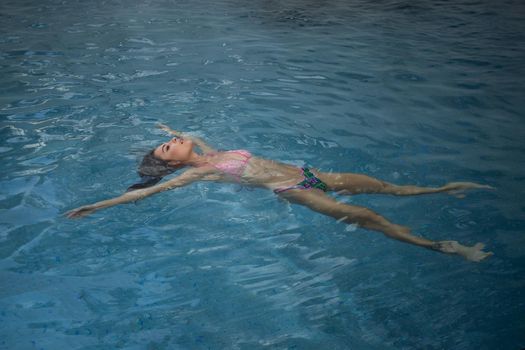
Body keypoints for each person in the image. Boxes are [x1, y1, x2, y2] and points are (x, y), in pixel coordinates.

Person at [67, 124, 494, 262]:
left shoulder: (209, 150)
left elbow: (184, 131)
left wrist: (165, 132)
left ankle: (442, 189)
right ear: (175, 163)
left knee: (388, 188)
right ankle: (442, 246)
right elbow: (143, 195)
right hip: (294, 188)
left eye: (171, 140)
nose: (175, 139)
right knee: (370, 218)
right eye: (169, 145)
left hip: (312, 173)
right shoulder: (196, 175)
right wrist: (98, 205)